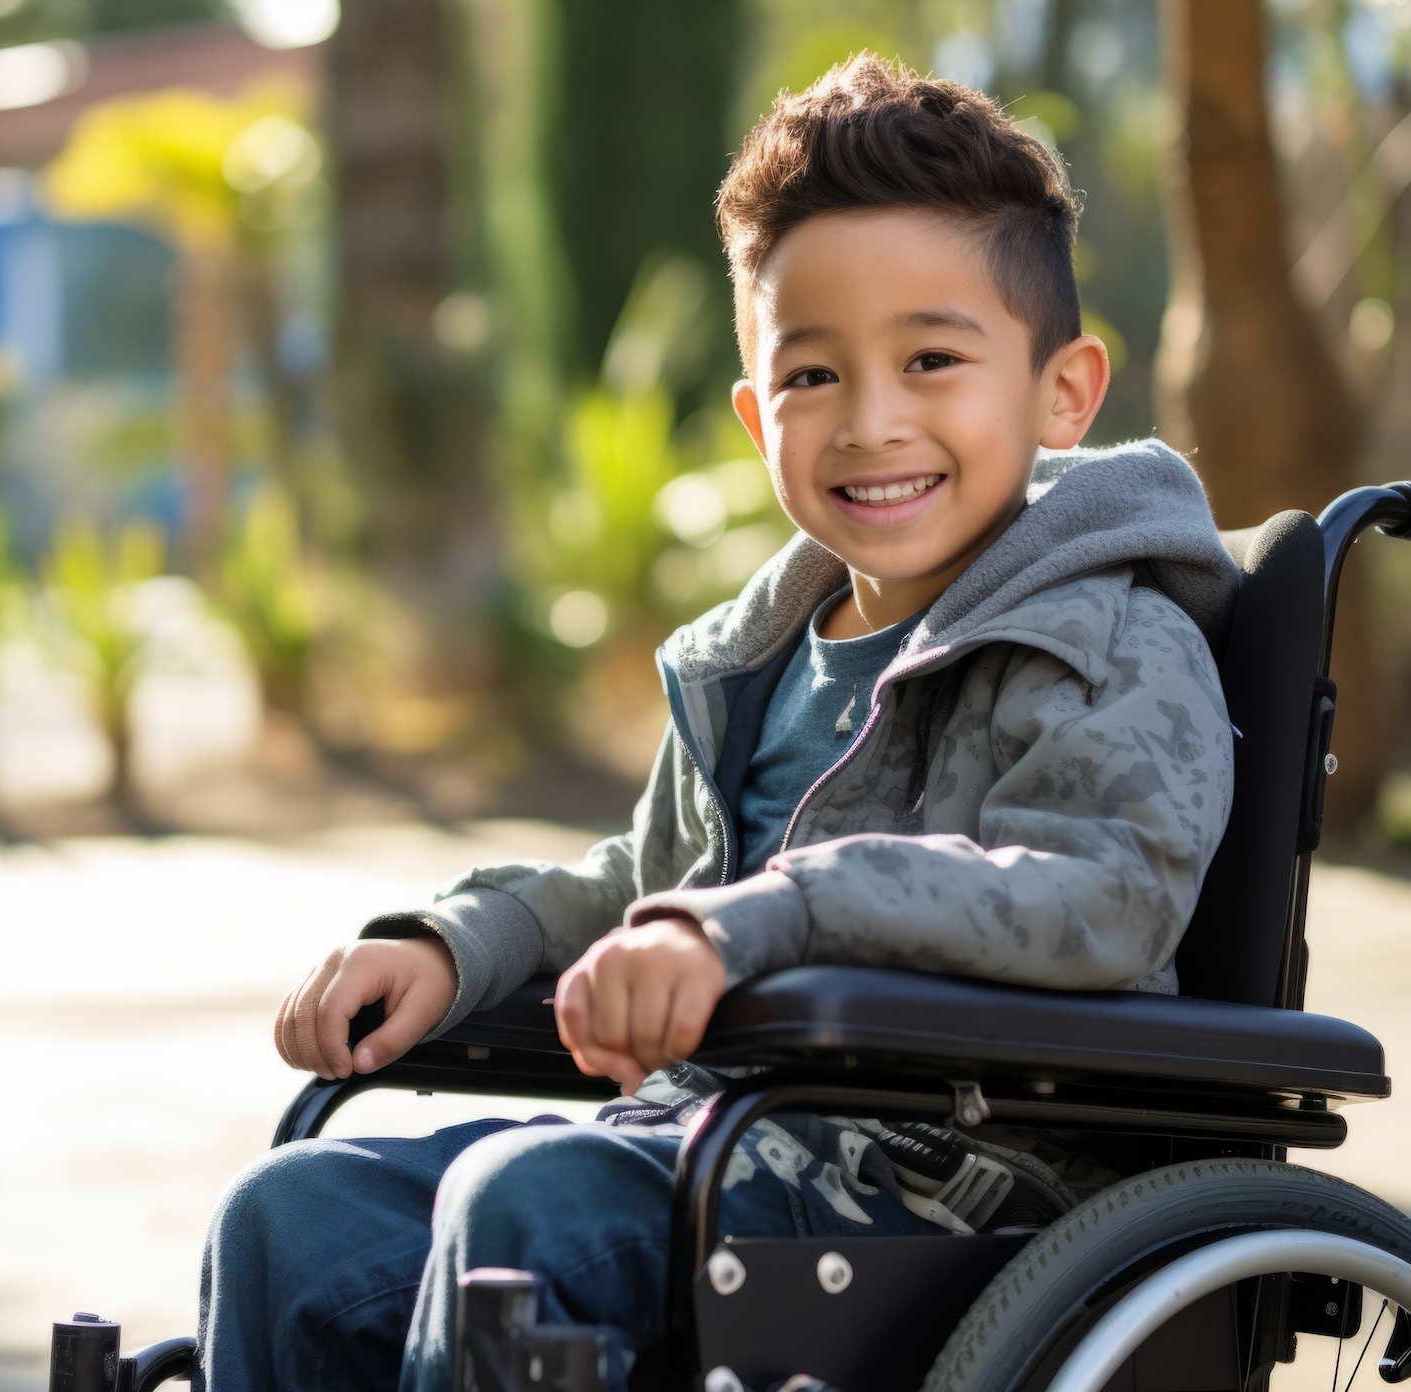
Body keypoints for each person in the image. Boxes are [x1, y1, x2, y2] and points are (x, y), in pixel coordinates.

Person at [196, 54, 1240, 1392]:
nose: (871, 422)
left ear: (1064, 392)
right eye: (811, 377)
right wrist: (464, 945)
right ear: (757, 415)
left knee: (529, 1209)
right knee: (287, 1219)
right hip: (718, 1138)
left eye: (932, 359)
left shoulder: (1105, 633)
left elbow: (1103, 895)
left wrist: (779, 914)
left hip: (962, 1180)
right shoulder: (760, 658)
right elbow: (646, 886)